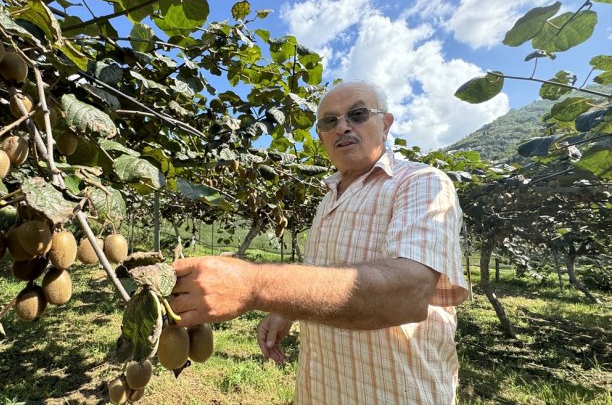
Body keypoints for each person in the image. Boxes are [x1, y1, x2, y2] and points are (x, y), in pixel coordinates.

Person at [170, 81, 469, 404]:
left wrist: (254, 285)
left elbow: (408, 293)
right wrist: (289, 309)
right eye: (329, 121)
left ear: (385, 124)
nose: (342, 126)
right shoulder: (330, 198)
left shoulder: (420, 183)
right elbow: (327, 276)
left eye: (357, 114)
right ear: (322, 135)